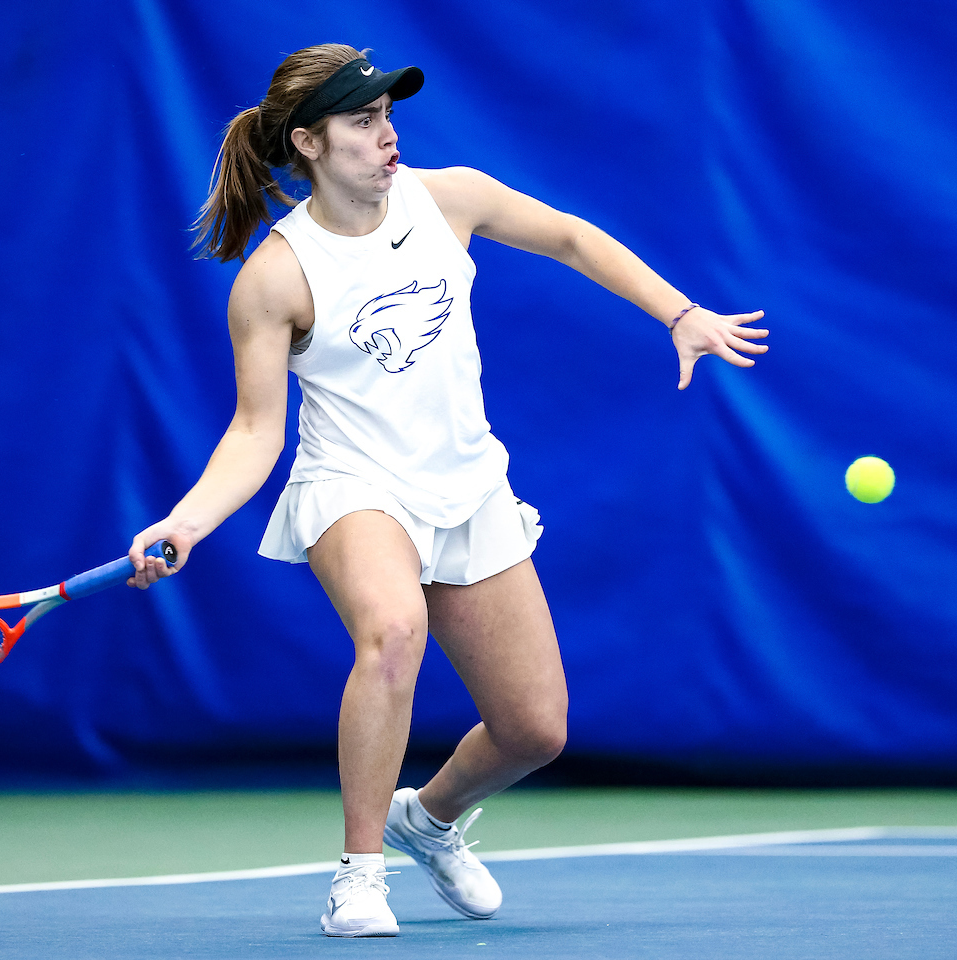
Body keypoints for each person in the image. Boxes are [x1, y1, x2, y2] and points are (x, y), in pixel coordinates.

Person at [127, 43, 768, 938]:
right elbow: (254, 431)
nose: (387, 137)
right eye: (363, 122)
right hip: (353, 484)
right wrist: (187, 520)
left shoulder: (451, 196)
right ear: (309, 143)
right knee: (393, 630)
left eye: (388, 118)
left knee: (535, 730)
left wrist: (681, 312)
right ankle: (358, 875)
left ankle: (423, 819)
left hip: (467, 488)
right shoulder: (276, 275)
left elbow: (572, 237)